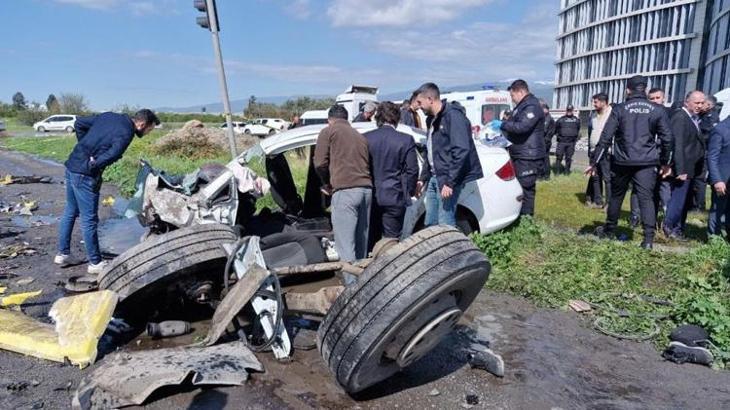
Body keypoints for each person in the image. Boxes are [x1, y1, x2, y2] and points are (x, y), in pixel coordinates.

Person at [55, 109, 160, 274]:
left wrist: (84, 147)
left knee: (70, 210)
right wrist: (94, 163)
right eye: (149, 130)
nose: (148, 133)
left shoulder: (108, 116)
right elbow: (114, 153)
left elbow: (79, 123)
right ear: (141, 124)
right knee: (89, 219)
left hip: (72, 166)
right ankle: (95, 263)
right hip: (85, 174)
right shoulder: (127, 133)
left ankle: (63, 254)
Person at [585, 75, 673, 250]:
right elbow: (668, 139)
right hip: (647, 162)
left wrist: (594, 162)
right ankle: (648, 239)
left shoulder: (620, 109)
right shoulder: (657, 110)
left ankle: (610, 229)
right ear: (645, 90)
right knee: (646, 198)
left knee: (617, 196)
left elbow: (605, 138)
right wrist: (665, 163)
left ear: (628, 90)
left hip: (622, 162)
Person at [414, 82, 483, 226]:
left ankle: (451, 248)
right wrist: (423, 178)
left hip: (447, 178)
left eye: (420, 102)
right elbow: (431, 151)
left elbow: (461, 150)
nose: (418, 107)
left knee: (445, 221)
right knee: (430, 222)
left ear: (430, 99)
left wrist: (450, 182)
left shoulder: (453, 116)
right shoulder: (431, 120)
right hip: (434, 177)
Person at [314, 105, 372, 262]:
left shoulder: (328, 131)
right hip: (366, 191)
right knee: (361, 246)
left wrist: (326, 183)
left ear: (329, 120)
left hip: (345, 192)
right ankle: (364, 282)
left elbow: (319, 163)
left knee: (345, 247)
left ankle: (352, 285)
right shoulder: (360, 136)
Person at [364, 102, 419, 241]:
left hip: (371, 195)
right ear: (397, 119)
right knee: (392, 241)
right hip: (395, 195)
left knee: (370, 238)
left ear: (378, 118)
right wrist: (410, 191)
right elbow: (412, 170)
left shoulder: (365, 138)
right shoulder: (405, 140)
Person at [662, 91, 707, 240]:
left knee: (685, 201)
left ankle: (678, 229)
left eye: (702, 103)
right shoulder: (680, 117)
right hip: (684, 168)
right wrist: (680, 170)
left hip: (691, 167)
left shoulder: (693, 118)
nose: (699, 106)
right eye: (696, 103)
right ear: (686, 102)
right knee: (678, 200)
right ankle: (670, 227)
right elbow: (678, 145)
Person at [501, 79, 546, 216]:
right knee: (518, 188)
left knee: (525, 189)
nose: (512, 99)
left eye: (513, 96)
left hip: (528, 156)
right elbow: (513, 124)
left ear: (520, 92)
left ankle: (526, 221)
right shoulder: (522, 106)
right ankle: (519, 217)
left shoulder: (531, 106)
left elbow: (522, 127)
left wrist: (502, 124)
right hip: (520, 154)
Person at [692, 95, 721, 211]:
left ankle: (699, 205)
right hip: (698, 151)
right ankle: (693, 203)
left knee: (700, 179)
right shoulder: (702, 115)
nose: (700, 105)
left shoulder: (712, 117)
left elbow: (709, 134)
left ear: (709, 105)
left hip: (705, 151)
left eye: (703, 103)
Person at [585, 93, 612, 207]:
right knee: (595, 176)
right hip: (593, 150)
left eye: (596, 102)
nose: (594, 104)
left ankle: (609, 204)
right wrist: (590, 149)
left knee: (607, 178)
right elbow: (590, 132)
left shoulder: (612, 114)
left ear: (603, 102)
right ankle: (598, 201)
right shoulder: (593, 115)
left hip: (606, 151)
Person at [706, 116, 730, 239]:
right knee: (718, 209)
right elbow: (712, 157)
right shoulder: (720, 129)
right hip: (722, 179)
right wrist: (717, 180)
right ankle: (713, 237)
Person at [554, 104, 581, 174]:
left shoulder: (576, 120)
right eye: (568, 110)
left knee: (568, 158)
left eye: (570, 110)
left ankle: (567, 172)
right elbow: (555, 129)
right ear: (566, 110)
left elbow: (578, 129)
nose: (569, 111)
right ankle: (557, 172)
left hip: (571, 143)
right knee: (559, 157)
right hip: (561, 142)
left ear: (573, 110)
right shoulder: (561, 120)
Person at [540, 101, 555, 180]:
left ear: (547, 110)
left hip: (545, 142)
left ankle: (546, 175)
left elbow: (548, 131)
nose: (542, 110)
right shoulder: (543, 118)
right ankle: (541, 174)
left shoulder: (549, 119)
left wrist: (546, 139)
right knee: (541, 158)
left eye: (543, 109)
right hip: (541, 141)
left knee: (545, 159)